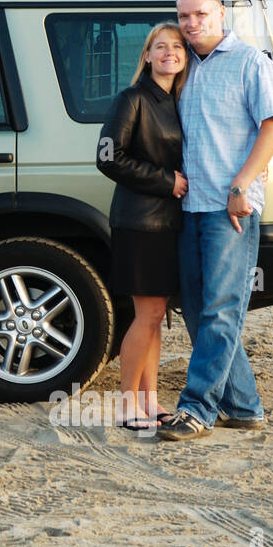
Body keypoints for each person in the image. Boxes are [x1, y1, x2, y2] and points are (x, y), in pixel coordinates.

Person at [158, 0, 273, 441]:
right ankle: (245, 406)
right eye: (184, 16)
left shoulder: (252, 63)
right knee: (197, 310)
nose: (192, 23)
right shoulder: (184, 66)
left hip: (229, 209)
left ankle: (197, 408)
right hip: (187, 208)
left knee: (220, 309)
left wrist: (241, 185)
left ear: (220, 15)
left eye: (201, 15)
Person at [96, 22, 189, 431]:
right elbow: (107, 156)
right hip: (140, 223)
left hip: (169, 224)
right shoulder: (132, 98)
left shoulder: (180, 101)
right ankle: (126, 405)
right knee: (146, 316)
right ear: (147, 56)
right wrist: (167, 181)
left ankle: (150, 404)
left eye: (178, 46)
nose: (170, 52)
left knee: (154, 317)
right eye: (161, 46)